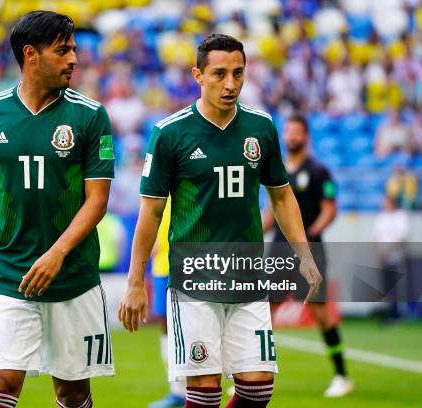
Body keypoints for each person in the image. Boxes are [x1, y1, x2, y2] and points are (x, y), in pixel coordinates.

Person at [119, 34, 322, 408]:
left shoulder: (260, 128)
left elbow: (280, 195)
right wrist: (135, 281)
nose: (230, 84)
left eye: (238, 73)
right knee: (204, 393)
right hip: (194, 279)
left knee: (258, 390)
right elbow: (150, 212)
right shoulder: (170, 133)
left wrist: (304, 255)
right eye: (219, 74)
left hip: (247, 274)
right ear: (198, 75)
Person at [0, 11, 115, 408]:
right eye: (63, 51)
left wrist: (57, 254)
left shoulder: (90, 115)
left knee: (72, 392)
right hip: (9, 274)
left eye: (74, 49)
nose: (74, 59)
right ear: (31, 54)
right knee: (0, 384)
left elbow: (97, 200)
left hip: (74, 277)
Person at [262, 113, 354, 398]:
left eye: (296, 132)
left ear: (306, 136)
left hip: (309, 251)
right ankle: (255, 376)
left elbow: (330, 207)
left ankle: (341, 375)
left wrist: (311, 232)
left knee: (320, 312)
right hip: (278, 251)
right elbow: (271, 212)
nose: (291, 136)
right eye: (287, 131)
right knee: (265, 312)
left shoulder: (318, 171)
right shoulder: (277, 170)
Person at [148, 196, 187, 408]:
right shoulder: (157, 177)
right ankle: (177, 391)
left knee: (190, 324)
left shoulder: (187, 171)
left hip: (186, 261)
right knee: (165, 326)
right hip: (161, 265)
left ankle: (196, 388)